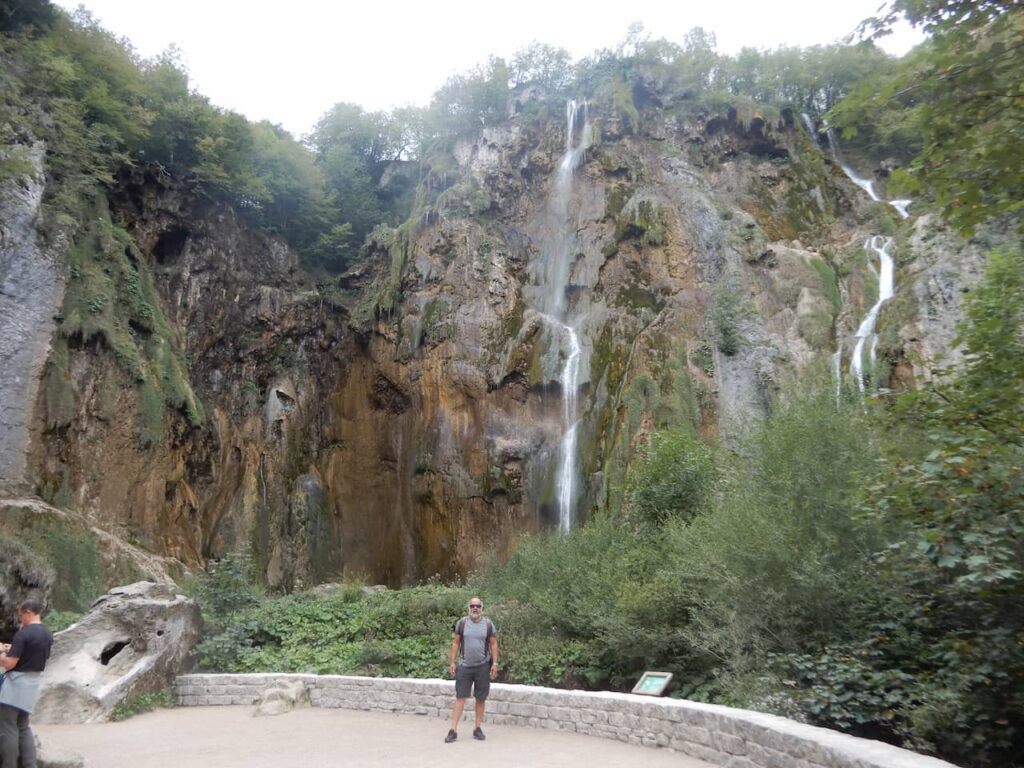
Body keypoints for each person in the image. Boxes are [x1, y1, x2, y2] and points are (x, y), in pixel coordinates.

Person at [0, 599, 54, 768]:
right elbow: (36, 654)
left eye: (21, 614)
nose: (20, 618)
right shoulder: (47, 633)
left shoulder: (24, 633)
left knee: (7, 728)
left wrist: (1, 654)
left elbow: (9, 664)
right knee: (23, 726)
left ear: (28, 613)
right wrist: (12, 648)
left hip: (14, 686)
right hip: (32, 685)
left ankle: (9, 765)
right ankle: (30, 764)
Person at [445, 596, 497, 743]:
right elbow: (456, 643)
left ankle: (477, 728)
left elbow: (493, 644)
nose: (475, 608)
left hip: (482, 666)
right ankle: (453, 730)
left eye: (478, 606)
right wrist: (452, 662)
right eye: (473, 606)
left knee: (480, 698)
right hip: (464, 667)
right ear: (469, 607)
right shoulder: (462, 623)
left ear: (481, 608)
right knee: (460, 698)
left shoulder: (488, 624)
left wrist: (495, 663)